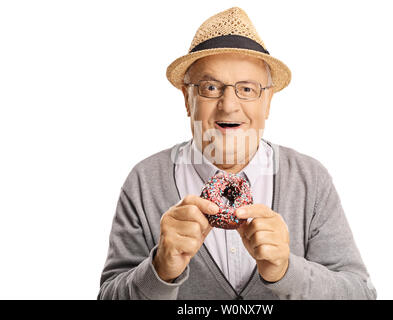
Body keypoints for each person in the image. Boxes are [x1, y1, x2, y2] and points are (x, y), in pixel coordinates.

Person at [97, 6, 377, 300]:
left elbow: (361, 294)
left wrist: (286, 270)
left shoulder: (309, 180)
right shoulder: (145, 181)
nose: (228, 105)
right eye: (210, 87)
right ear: (186, 98)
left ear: (267, 101)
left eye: (247, 89)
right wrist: (160, 270)